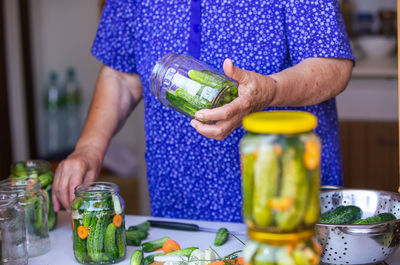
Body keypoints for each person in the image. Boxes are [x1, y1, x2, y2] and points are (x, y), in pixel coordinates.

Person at [52, 0, 354, 222]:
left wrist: (269, 91)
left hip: (284, 193)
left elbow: (333, 67)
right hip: (178, 202)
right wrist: (89, 148)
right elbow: (121, 75)